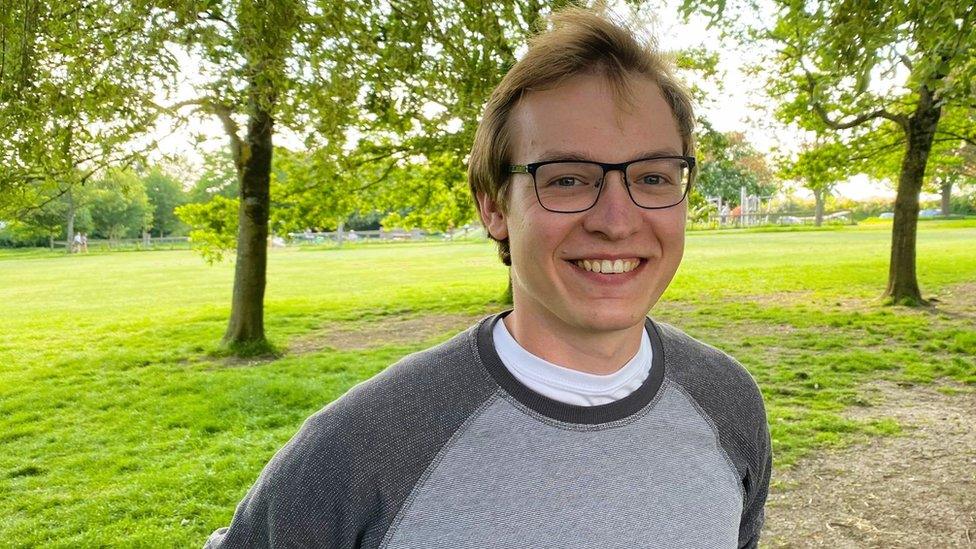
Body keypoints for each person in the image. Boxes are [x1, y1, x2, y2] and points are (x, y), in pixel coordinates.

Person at [205, 8, 770, 549]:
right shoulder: (365, 445)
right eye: (567, 180)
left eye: (651, 176)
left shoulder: (729, 402)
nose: (617, 223)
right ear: (495, 207)